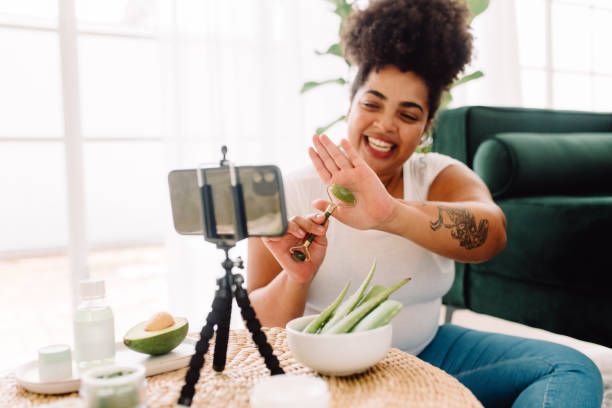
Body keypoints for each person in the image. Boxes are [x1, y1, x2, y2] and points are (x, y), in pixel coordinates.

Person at [246, 0, 603, 406]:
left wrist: (390, 214)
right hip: (319, 372)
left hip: (429, 356)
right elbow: (260, 328)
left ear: (427, 126)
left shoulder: (437, 176)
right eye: (372, 103)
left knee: (569, 369)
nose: (385, 124)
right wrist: (296, 276)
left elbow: (492, 233)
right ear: (350, 105)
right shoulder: (287, 191)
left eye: (409, 114)